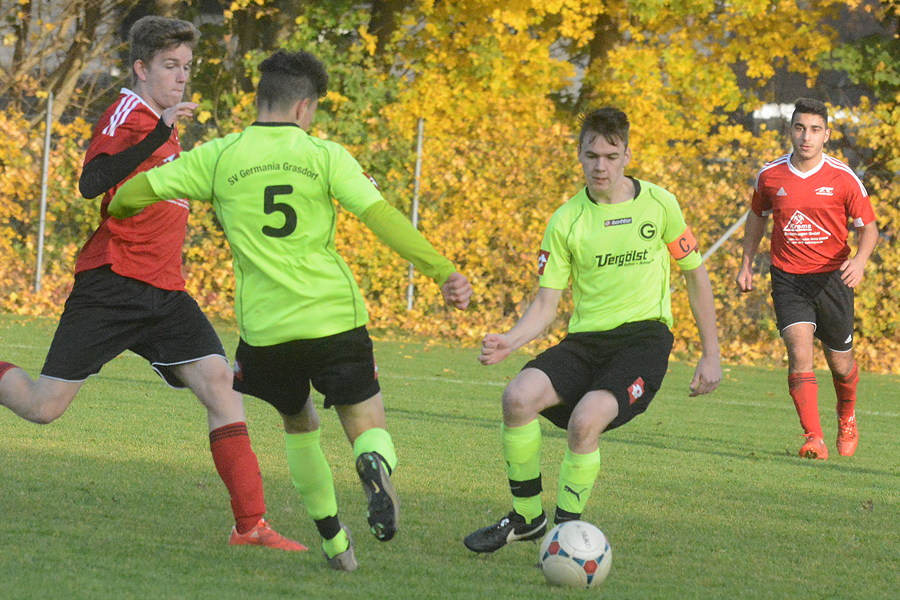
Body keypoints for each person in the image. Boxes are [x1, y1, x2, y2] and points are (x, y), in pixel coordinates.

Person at [108, 49, 473, 571]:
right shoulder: (325, 156)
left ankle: (334, 541)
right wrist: (443, 271)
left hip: (266, 332)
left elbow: (129, 195)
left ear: (261, 100)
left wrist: (129, 211)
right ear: (304, 107)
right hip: (333, 317)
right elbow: (380, 216)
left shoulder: (219, 156)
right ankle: (372, 461)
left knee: (299, 425)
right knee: (366, 422)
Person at [0, 16, 304, 551]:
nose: (182, 76)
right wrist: (158, 134)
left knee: (220, 384)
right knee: (43, 407)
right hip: (113, 284)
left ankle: (250, 526)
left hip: (165, 291)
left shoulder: (167, 126)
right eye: (170, 66)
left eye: (187, 66)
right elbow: (91, 183)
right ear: (141, 68)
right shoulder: (129, 114)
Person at [463, 107, 721, 554]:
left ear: (627, 156)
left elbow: (695, 276)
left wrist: (711, 354)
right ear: (579, 155)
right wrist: (511, 340)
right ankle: (527, 518)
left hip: (643, 340)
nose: (601, 166)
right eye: (592, 155)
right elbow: (546, 304)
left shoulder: (660, 204)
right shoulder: (567, 220)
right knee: (517, 397)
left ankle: (566, 533)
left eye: (611, 156)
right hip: (585, 342)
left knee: (585, 421)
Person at [735, 97, 878, 460]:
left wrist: (860, 261)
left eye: (815, 129)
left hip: (833, 279)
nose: (806, 136)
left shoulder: (843, 177)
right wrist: (746, 263)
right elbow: (756, 217)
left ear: (826, 135)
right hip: (788, 278)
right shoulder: (770, 175)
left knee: (840, 364)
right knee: (799, 354)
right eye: (800, 128)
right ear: (790, 131)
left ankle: (847, 415)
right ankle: (814, 437)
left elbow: (869, 228)